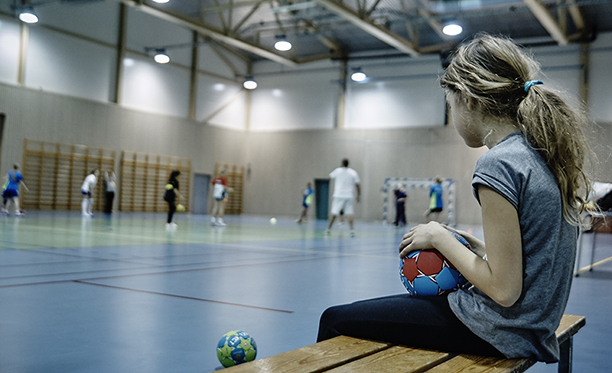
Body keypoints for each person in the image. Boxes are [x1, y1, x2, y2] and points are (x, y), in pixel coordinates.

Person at [317, 34, 593, 363]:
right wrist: (472, 247)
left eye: (451, 106)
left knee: (335, 319)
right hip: (530, 326)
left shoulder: (499, 163)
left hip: (499, 329)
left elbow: (505, 291)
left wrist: (437, 237)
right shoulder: (536, 155)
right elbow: (533, 260)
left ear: (470, 100)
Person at [325, 159, 360, 237]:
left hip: (338, 195)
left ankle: (328, 230)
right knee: (350, 213)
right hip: (349, 196)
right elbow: (358, 184)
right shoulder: (353, 172)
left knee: (334, 213)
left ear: (342, 163)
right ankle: (352, 231)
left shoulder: (338, 171)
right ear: (348, 164)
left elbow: (329, 177)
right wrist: (358, 195)